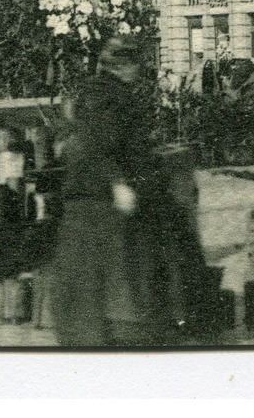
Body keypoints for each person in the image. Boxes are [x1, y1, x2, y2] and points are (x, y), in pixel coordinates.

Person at [52, 33, 210, 346]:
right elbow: (99, 142)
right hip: (105, 192)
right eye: (138, 64)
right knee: (144, 253)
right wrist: (119, 184)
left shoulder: (103, 90)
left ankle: (149, 320)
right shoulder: (106, 95)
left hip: (105, 189)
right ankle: (143, 324)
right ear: (126, 66)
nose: (141, 70)